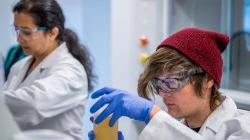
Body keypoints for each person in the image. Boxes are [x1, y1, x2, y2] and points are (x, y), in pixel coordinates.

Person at [89, 28, 250, 140]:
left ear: (207, 80)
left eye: (171, 82)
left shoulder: (243, 128)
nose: (162, 93)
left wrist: (151, 112)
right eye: (158, 83)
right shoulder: (169, 131)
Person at [1, 0, 95, 140]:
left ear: (52, 33)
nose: (19, 39)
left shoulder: (71, 71)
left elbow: (32, 105)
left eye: (26, 32)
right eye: (17, 29)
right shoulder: (19, 66)